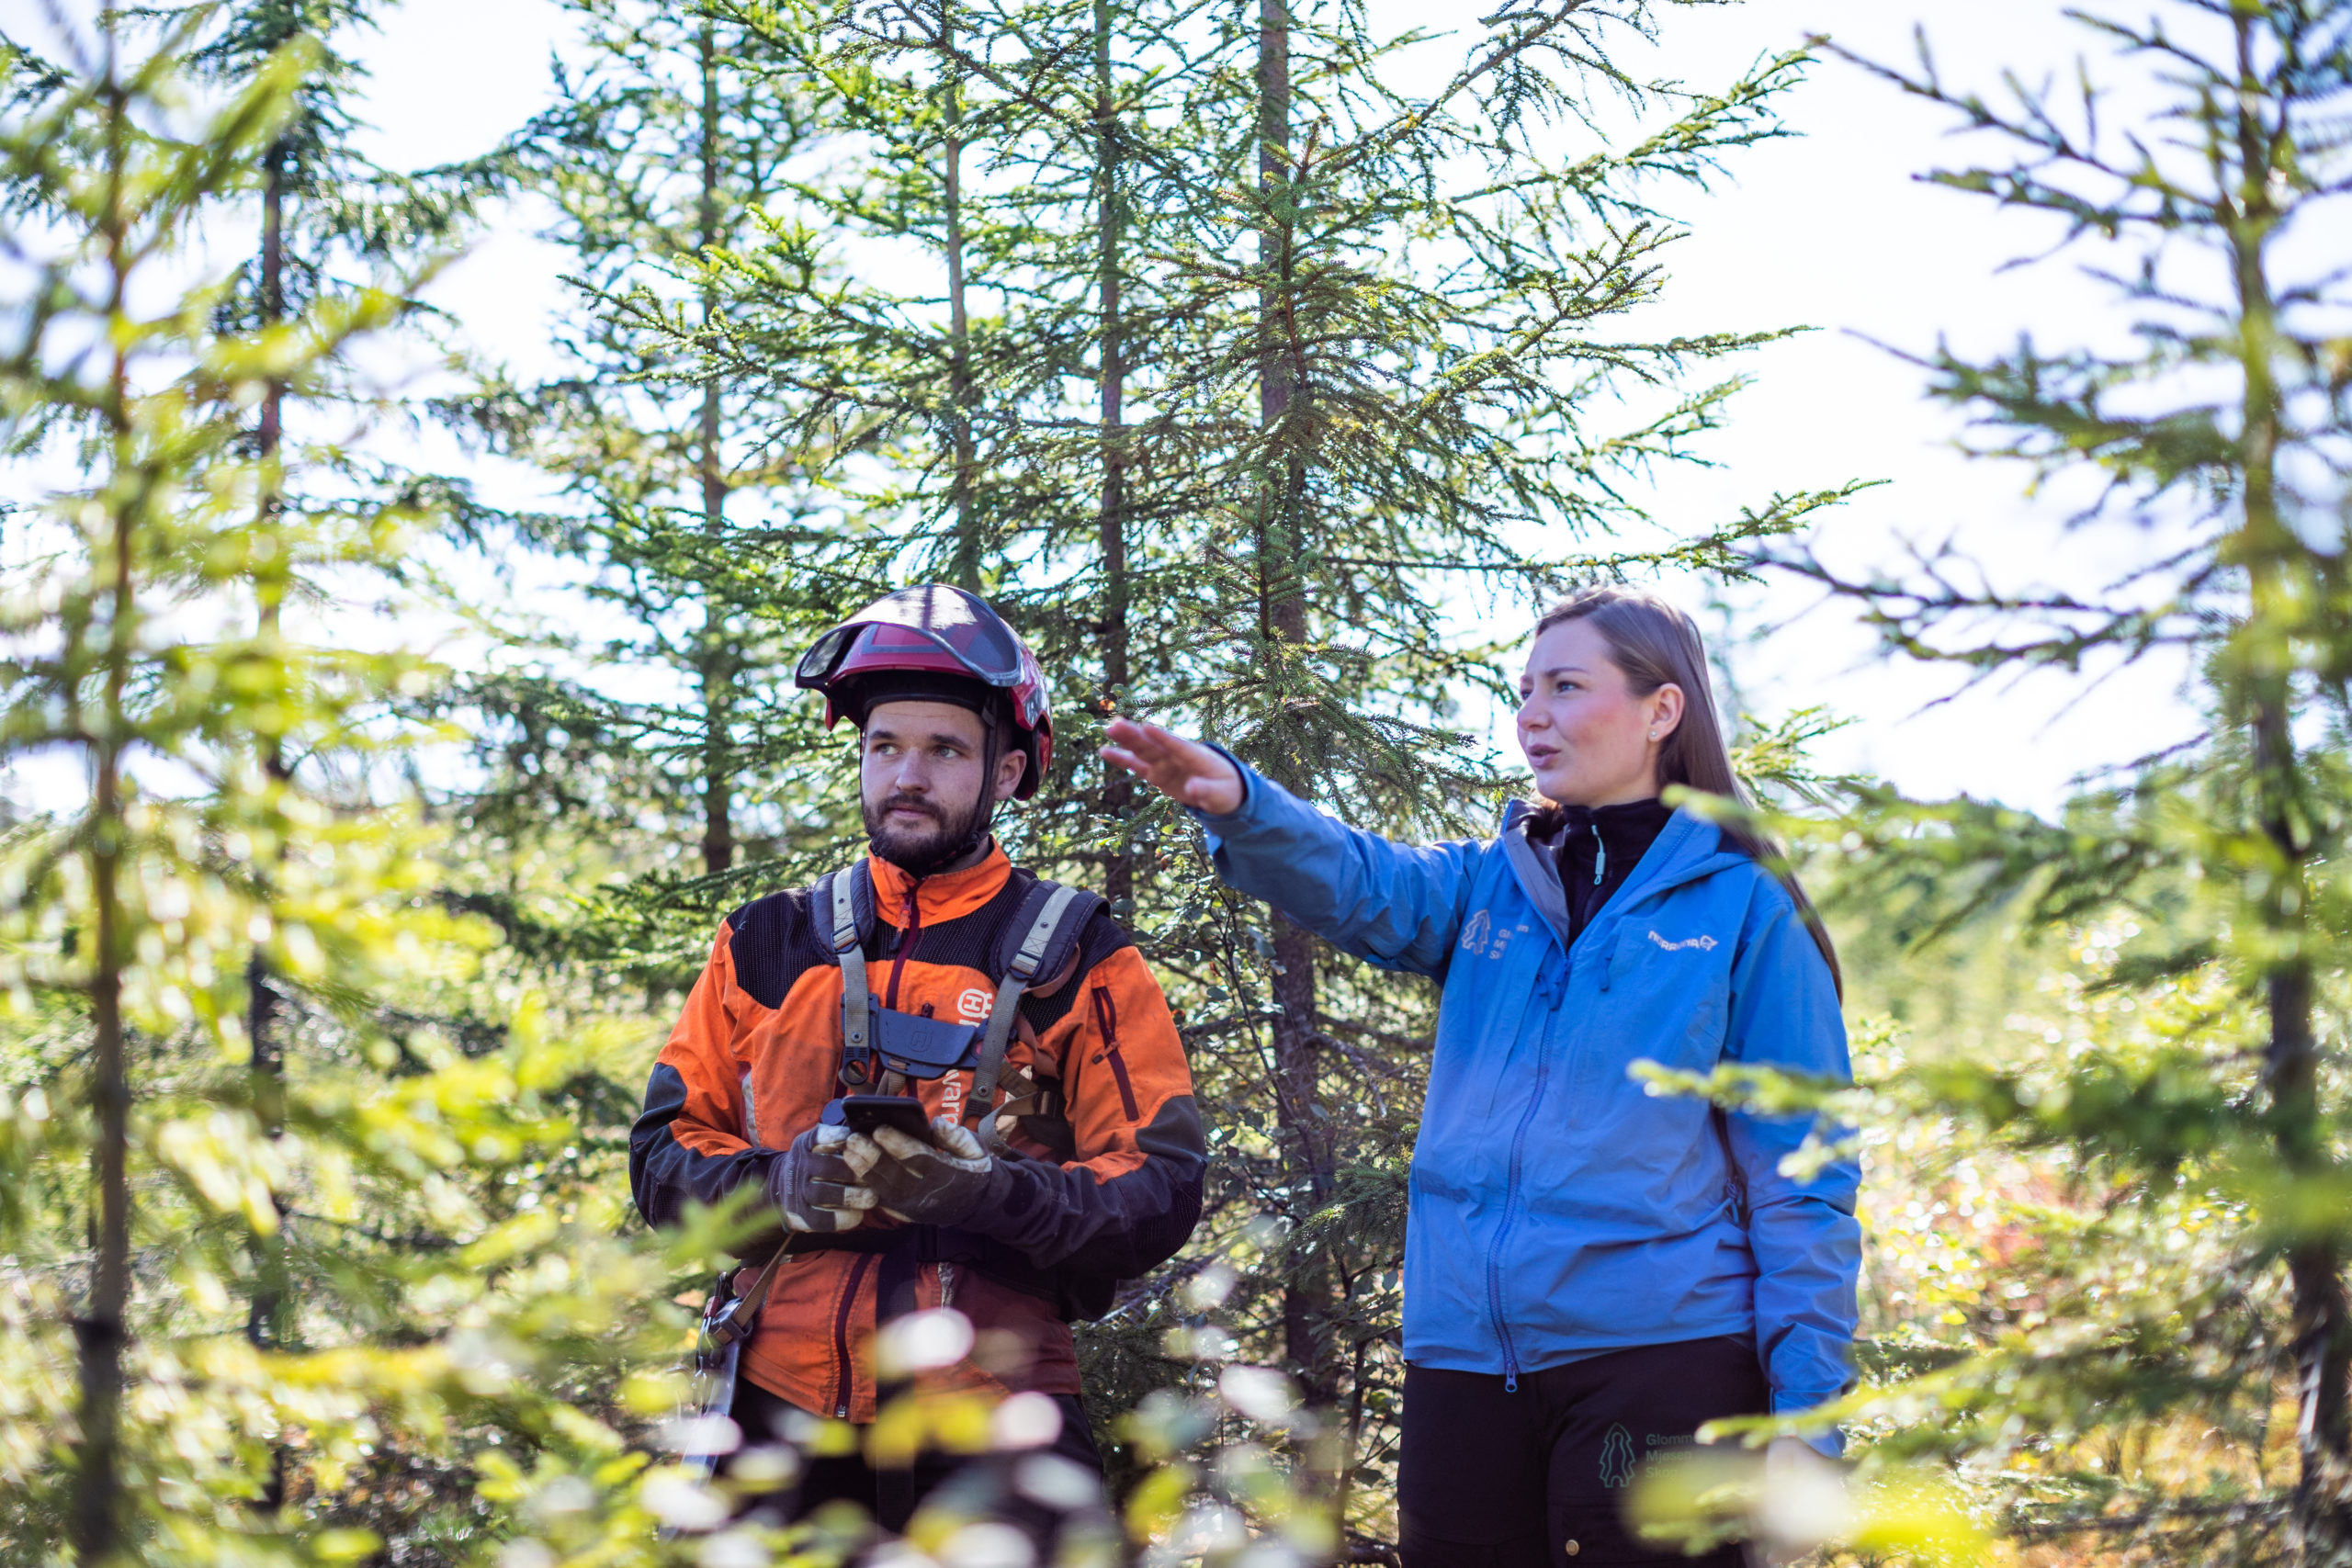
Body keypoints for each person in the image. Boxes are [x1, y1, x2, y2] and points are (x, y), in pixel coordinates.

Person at [1102, 586, 1858, 1568]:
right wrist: (1246, 805)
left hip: (1661, 1367)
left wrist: (1807, 1421)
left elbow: (1802, 1178)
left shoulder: (1743, 906)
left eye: (1566, 686)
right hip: (1461, 1367)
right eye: (1523, 690)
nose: (1531, 714)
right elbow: (1363, 880)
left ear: (1661, 710)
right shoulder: (1493, 880)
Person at [631, 584, 1206, 1531]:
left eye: (945, 750)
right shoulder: (766, 942)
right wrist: (779, 1188)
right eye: (884, 746)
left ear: (1008, 772)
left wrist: (992, 1196)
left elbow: (1162, 1187)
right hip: (780, 1413)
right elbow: (659, 1157)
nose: (907, 774)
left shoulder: (1077, 953)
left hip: (996, 1421)